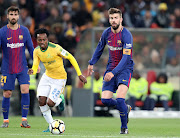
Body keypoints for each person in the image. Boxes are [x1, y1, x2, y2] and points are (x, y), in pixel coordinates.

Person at [28, 28, 87, 132]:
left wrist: (79, 74)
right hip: (47, 77)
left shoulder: (56, 48)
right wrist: (32, 70)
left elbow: (71, 58)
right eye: (39, 40)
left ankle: (60, 100)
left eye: (44, 39)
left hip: (59, 79)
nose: (42, 42)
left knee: (50, 103)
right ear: (37, 40)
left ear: (48, 39)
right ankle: (51, 124)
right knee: (41, 100)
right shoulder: (36, 51)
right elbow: (35, 65)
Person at [87, 8, 134, 134]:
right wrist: (91, 63)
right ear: (109, 19)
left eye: (116, 18)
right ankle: (125, 108)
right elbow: (99, 48)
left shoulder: (126, 35)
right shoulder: (106, 33)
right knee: (105, 100)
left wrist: (113, 73)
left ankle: (124, 128)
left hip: (125, 69)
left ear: (121, 19)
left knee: (119, 99)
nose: (113, 20)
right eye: (111, 18)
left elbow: (125, 58)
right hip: (111, 68)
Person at [0, 6, 36, 128]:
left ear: (18, 16)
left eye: (15, 14)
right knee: (7, 94)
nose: (13, 16)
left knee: (25, 90)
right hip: (7, 68)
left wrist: (35, 65)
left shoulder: (25, 31)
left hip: (22, 67)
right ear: (7, 16)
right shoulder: (2, 32)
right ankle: (5, 121)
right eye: (11, 14)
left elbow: (31, 49)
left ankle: (24, 120)